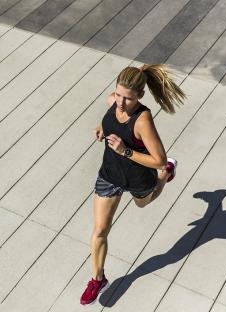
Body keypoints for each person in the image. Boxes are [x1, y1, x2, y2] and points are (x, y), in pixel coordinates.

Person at [80, 64, 186, 305]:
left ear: (140, 96)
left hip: (139, 177)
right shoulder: (113, 101)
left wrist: (125, 150)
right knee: (99, 231)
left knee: (143, 203)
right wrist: (101, 128)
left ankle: (167, 174)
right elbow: (110, 119)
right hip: (109, 175)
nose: (120, 102)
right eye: (118, 94)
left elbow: (157, 158)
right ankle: (98, 279)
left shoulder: (142, 120)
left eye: (127, 98)